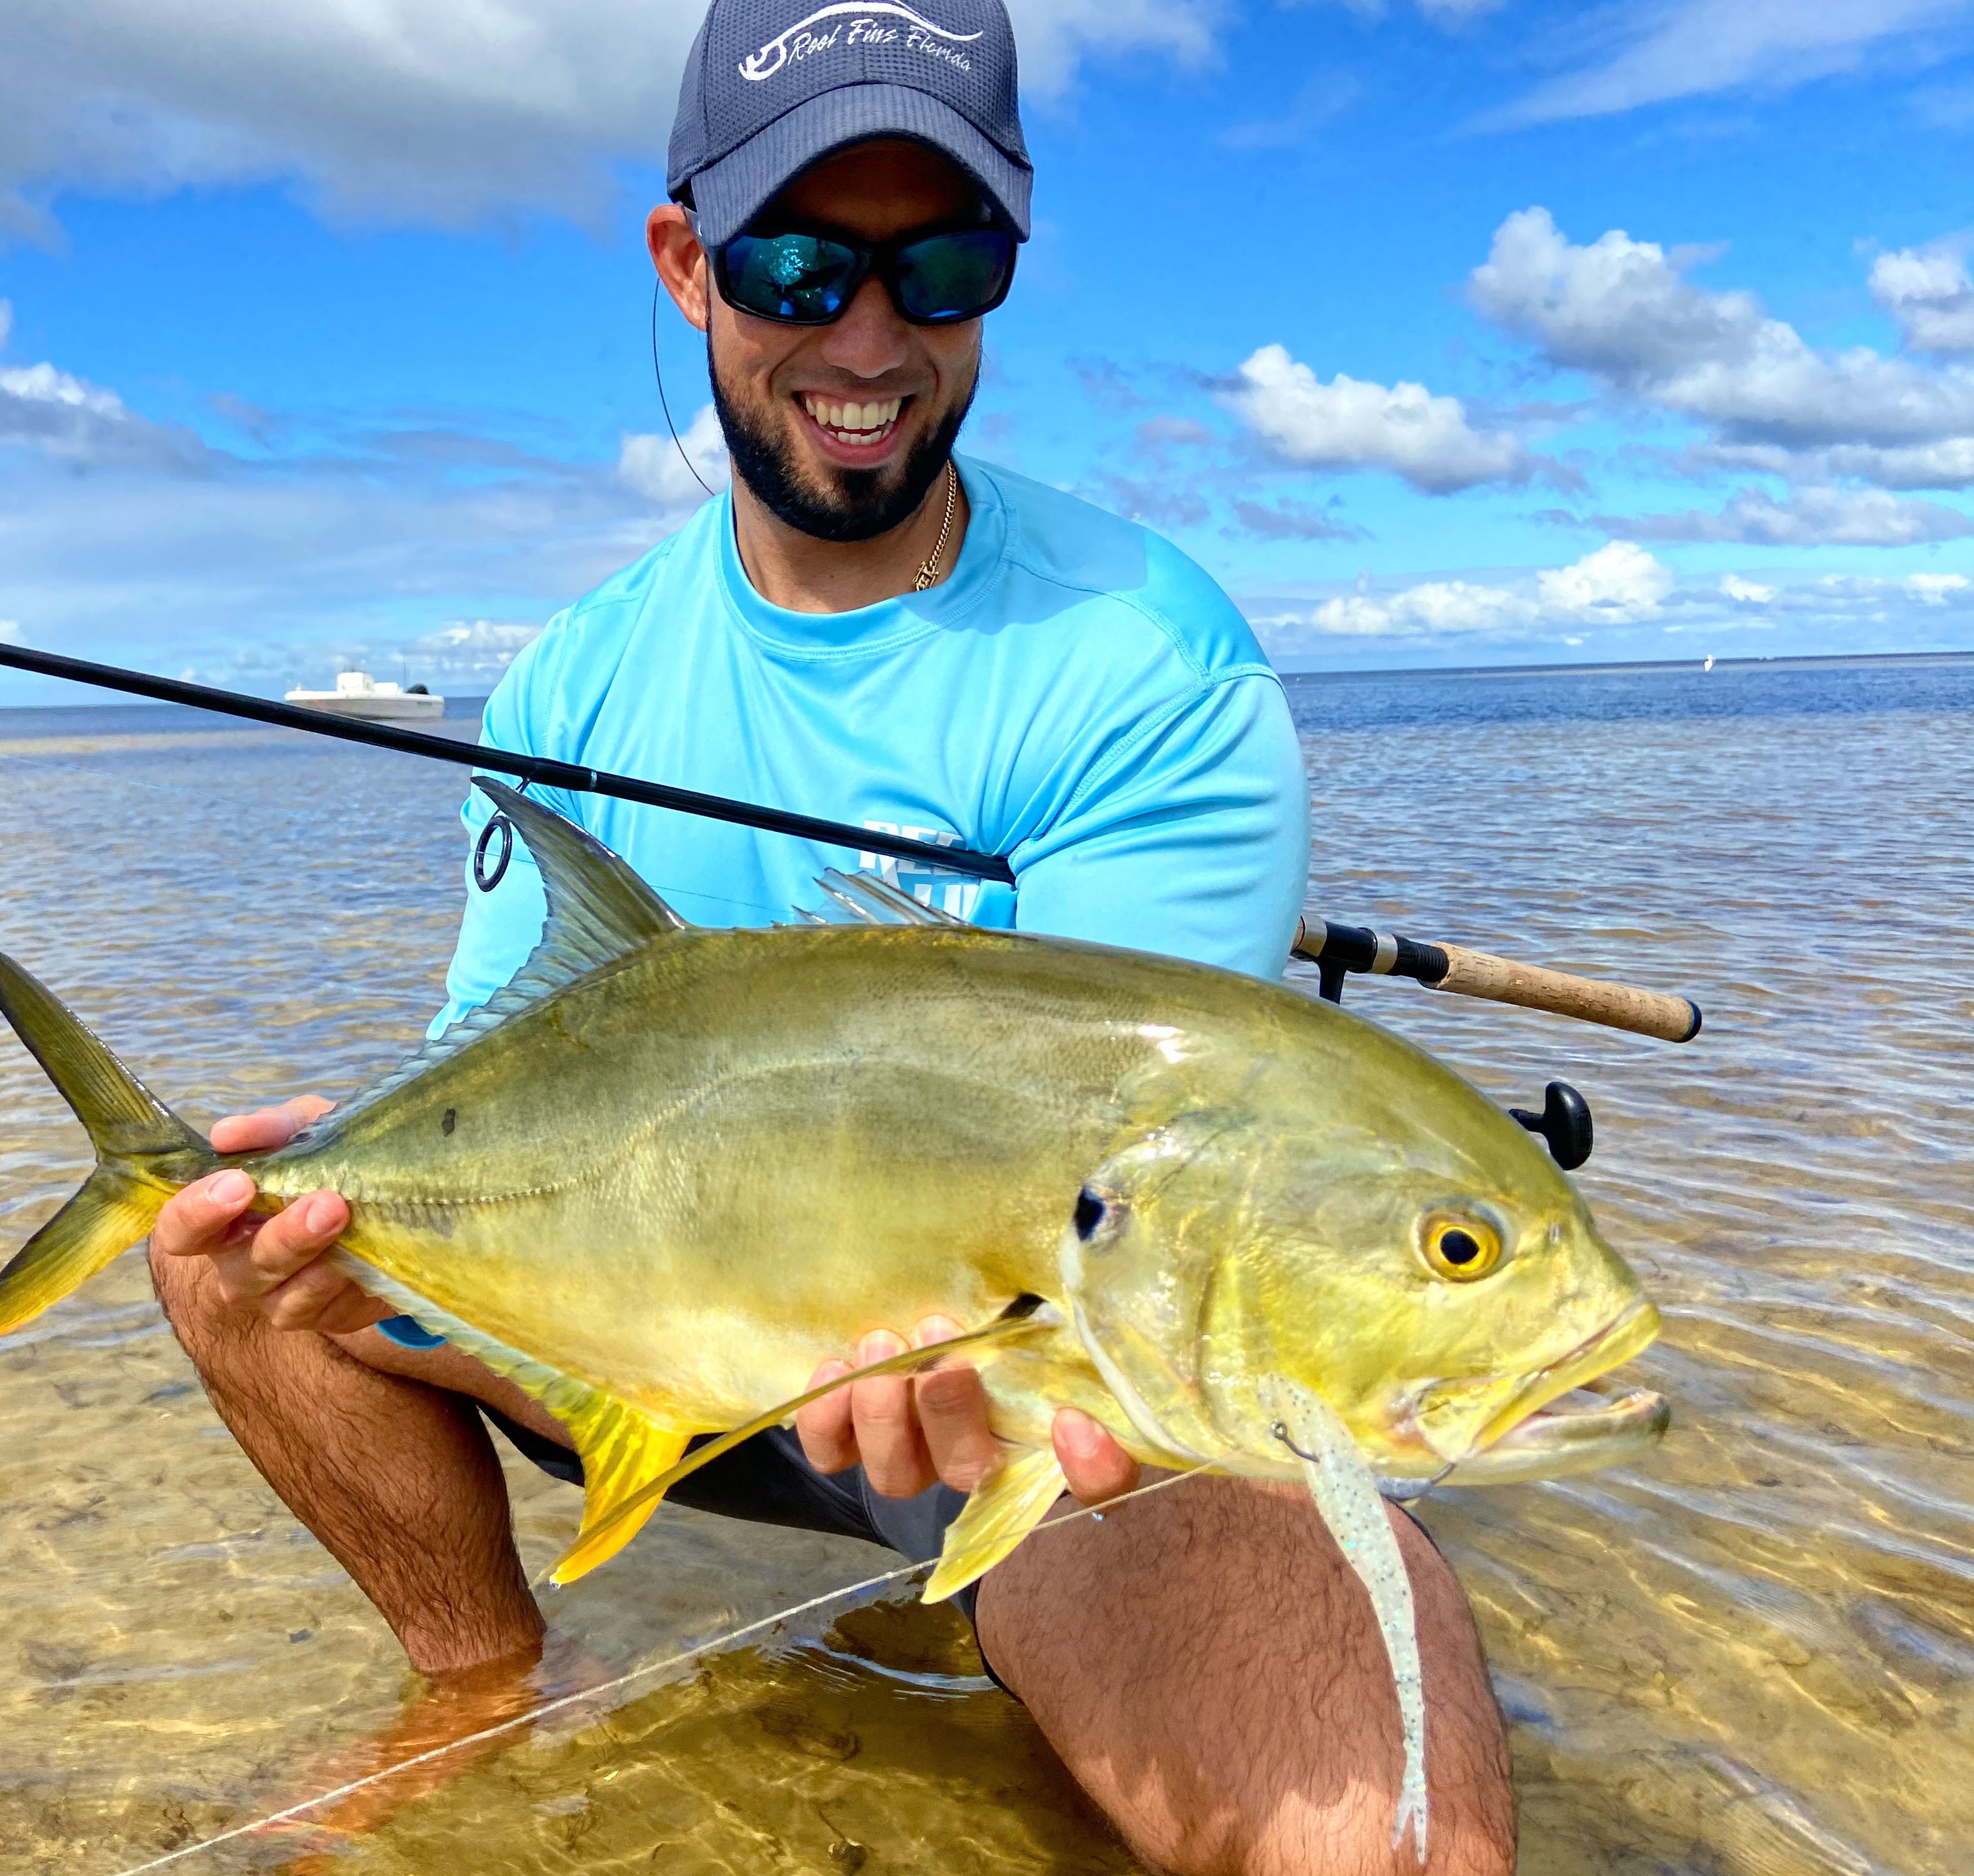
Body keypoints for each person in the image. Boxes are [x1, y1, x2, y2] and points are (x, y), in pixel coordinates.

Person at [148, 1, 1516, 1869]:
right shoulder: (571, 679)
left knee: (1398, 1828)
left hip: (1037, 1396)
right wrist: (343, 1181)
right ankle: (475, 1689)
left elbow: (1169, 1194)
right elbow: (498, 1062)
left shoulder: (1147, 666)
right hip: (621, 1329)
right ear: (688, 264)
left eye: (940, 266)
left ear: (1002, 276)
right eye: (798, 262)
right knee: (226, 1256)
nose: (866, 340)